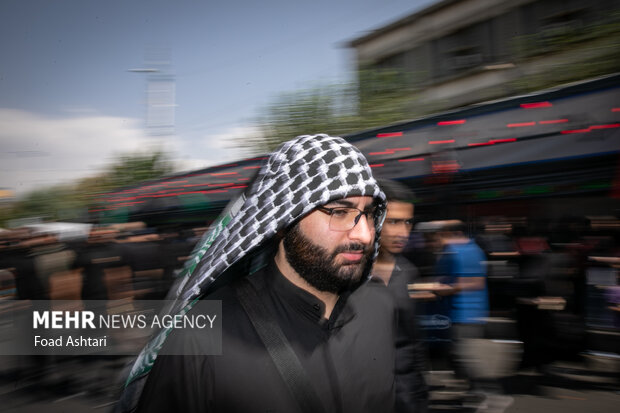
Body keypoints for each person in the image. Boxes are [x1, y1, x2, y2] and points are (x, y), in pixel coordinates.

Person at [116, 134, 400, 413]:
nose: (364, 234)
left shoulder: (380, 307)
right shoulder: (199, 337)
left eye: (370, 213)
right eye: (339, 211)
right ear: (282, 221)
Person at [371, 179, 429, 413]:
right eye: (393, 222)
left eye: (408, 223)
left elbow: (414, 342)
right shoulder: (347, 275)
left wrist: (420, 394)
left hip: (406, 395)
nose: (403, 233)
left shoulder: (408, 272)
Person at [435, 220, 489, 394]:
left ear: (456, 234)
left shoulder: (461, 251)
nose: (441, 239)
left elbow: (476, 282)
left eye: (444, 235)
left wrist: (447, 289)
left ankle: (482, 390)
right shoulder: (474, 250)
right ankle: (473, 389)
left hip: (464, 312)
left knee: (463, 354)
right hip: (467, 312)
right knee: (461, 352)